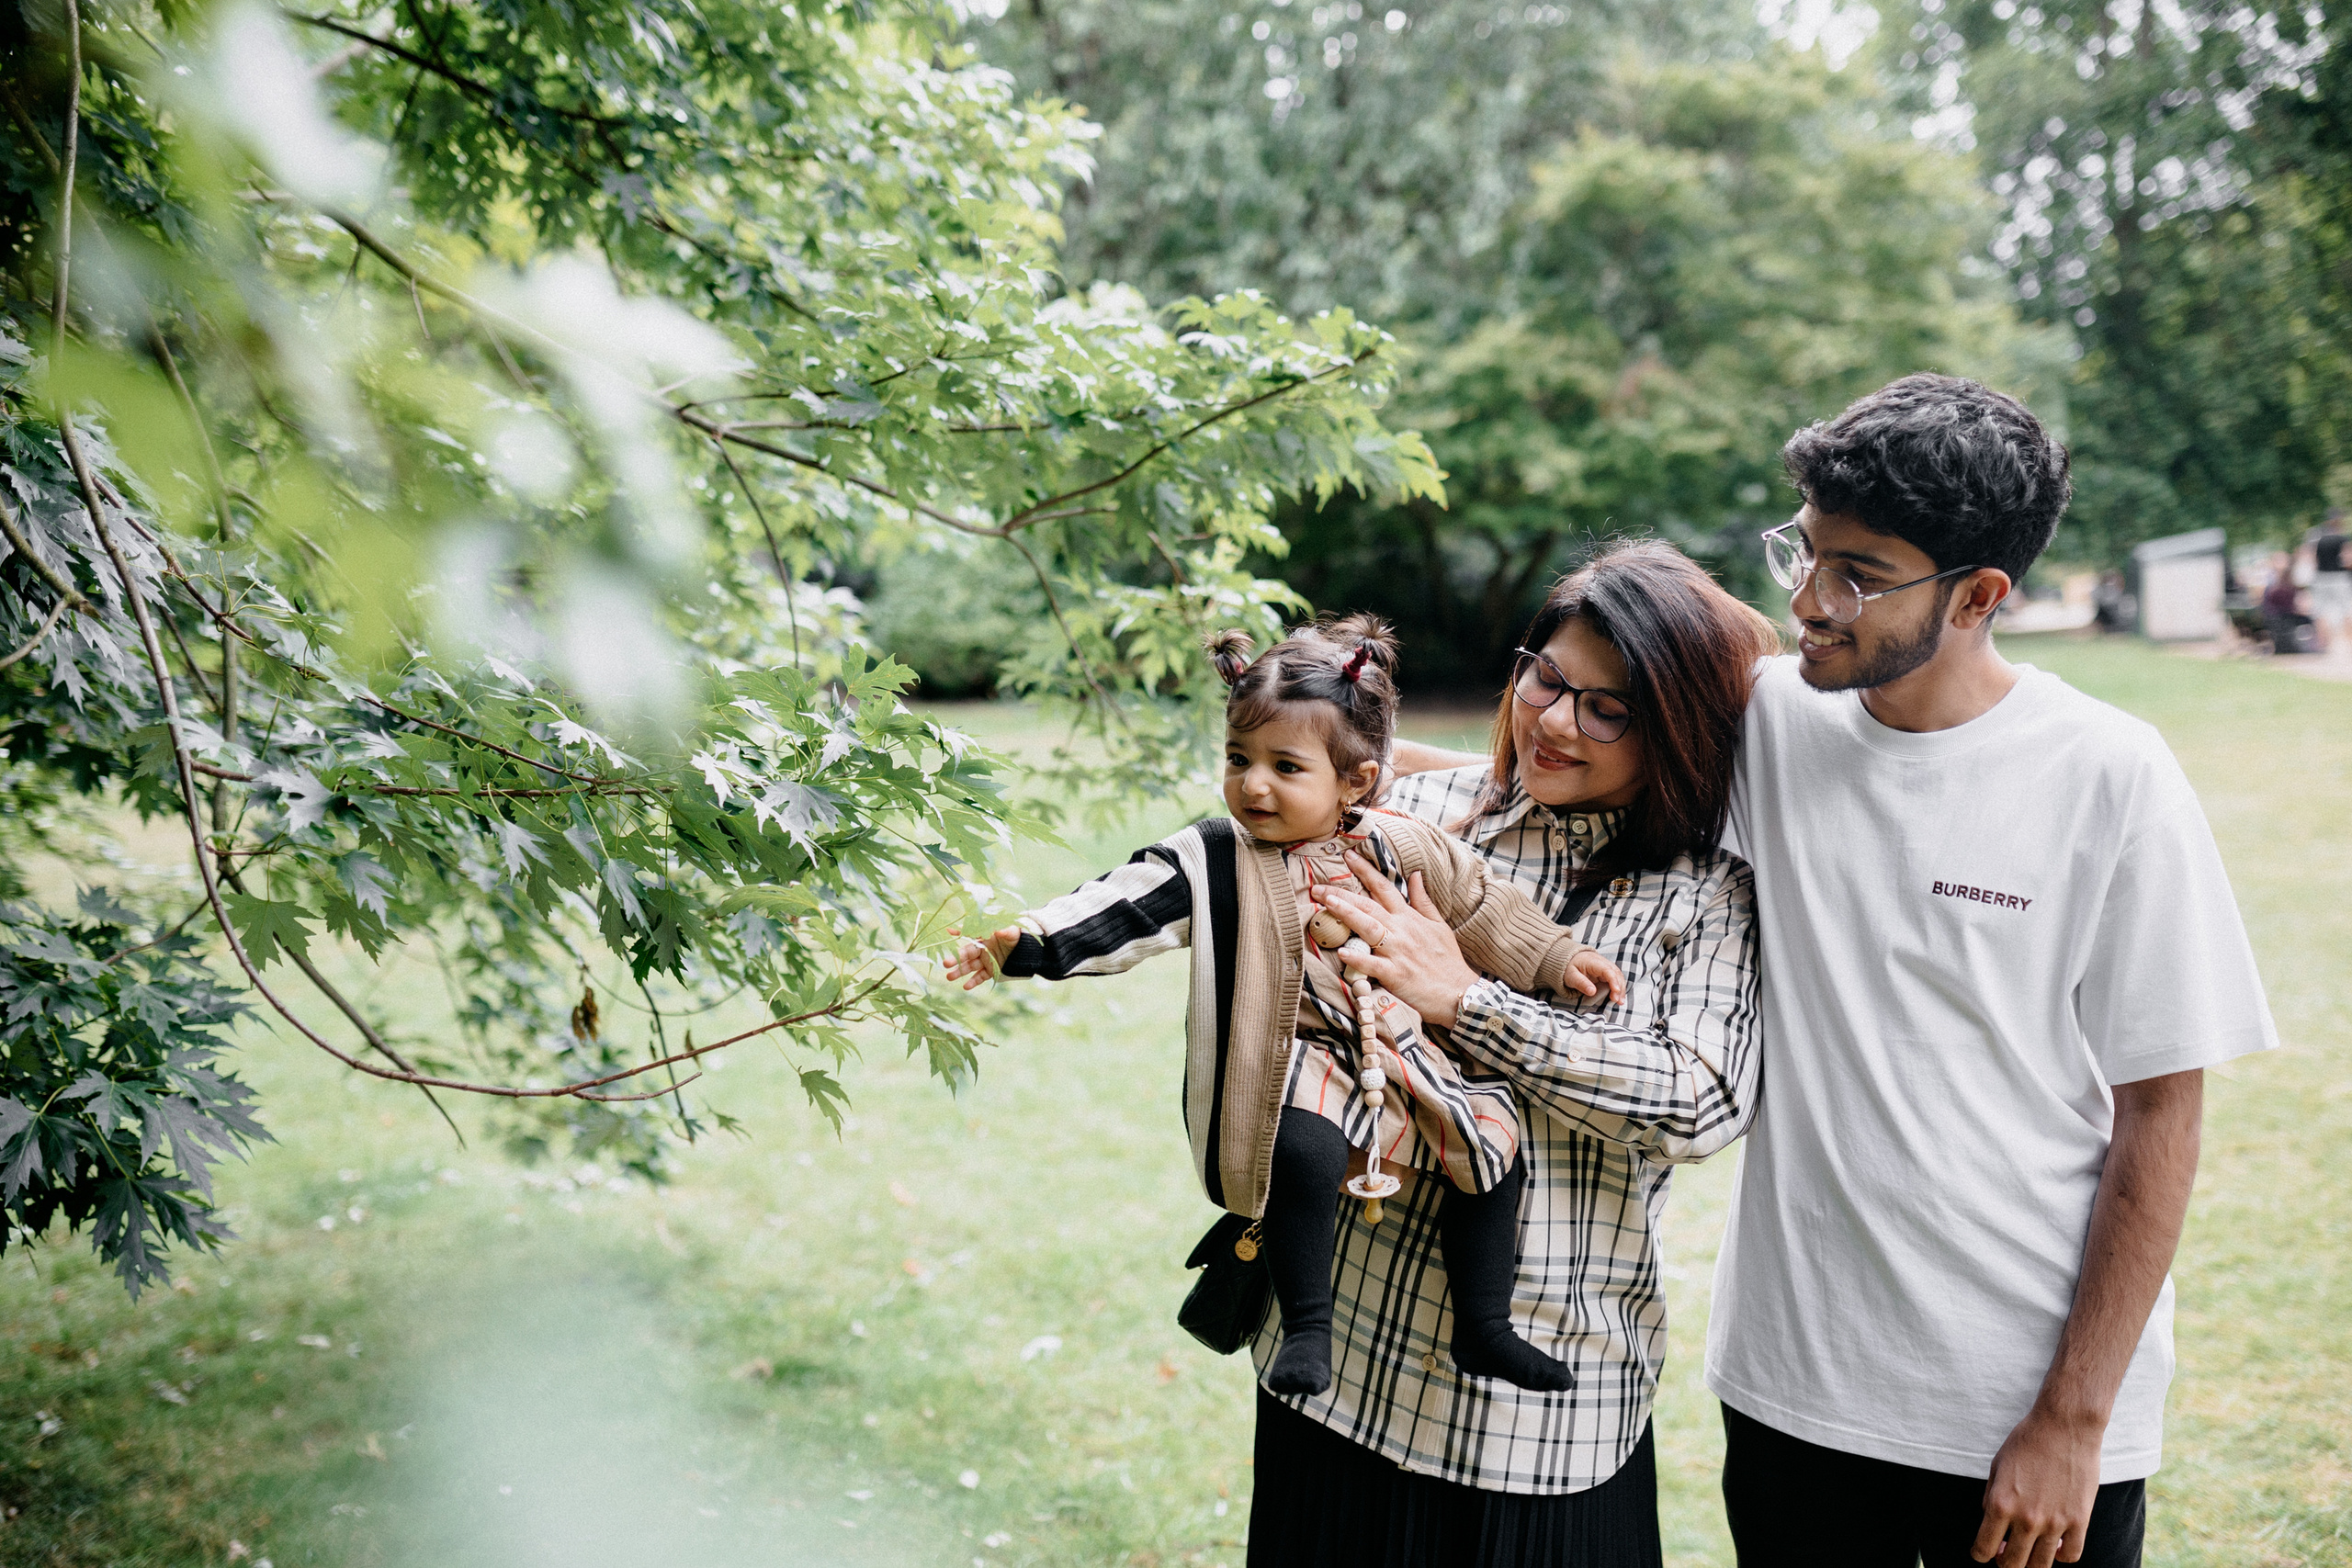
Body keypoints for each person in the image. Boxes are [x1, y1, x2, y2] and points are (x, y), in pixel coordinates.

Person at [1706, 374, 2276, 1568]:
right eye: (1801, 554)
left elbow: (2162, 1112)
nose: (1807, 600)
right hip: (1790, 1390)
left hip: (2025, 1419)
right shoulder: (1766, 720)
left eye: (1856, 573)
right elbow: (1546, 768)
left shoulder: (2110, 773)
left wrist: (2075, 1418)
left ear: (1979, 594)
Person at [944, 616, 1623, 1400]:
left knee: (1494, 1151)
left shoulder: (1399, 841)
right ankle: (1307, 1322)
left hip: (1401, 1052)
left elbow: (1482, 905)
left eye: (1284, 766)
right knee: (1301, 1149)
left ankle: (1485, 1326)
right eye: (1238, 759)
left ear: (1356, 782)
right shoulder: (1217, 858)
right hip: (1294, 1056)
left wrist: (1559, 957)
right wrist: (1024, 942)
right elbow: (1122, 906)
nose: (1253, 784)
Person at [1282, 543, 1777, 1568]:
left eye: (1609, 708)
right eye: (1544, 676)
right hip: (1336, 1366)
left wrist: (1464, 1000)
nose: (1553, 720)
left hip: (1536, 1416)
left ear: (1677, 727)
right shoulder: (1409, 814)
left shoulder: (1704, 893)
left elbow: (1700, 1099)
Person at [2312, 509, 2348, 652]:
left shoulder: (2318, 539)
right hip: (2339, 577)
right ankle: (2349, 644)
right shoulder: (2343, 539)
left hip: (2321, 577)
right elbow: (2347, 559)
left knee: (2320, 612)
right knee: (2347, 610)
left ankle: (2322, 645)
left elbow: (2314, 559)